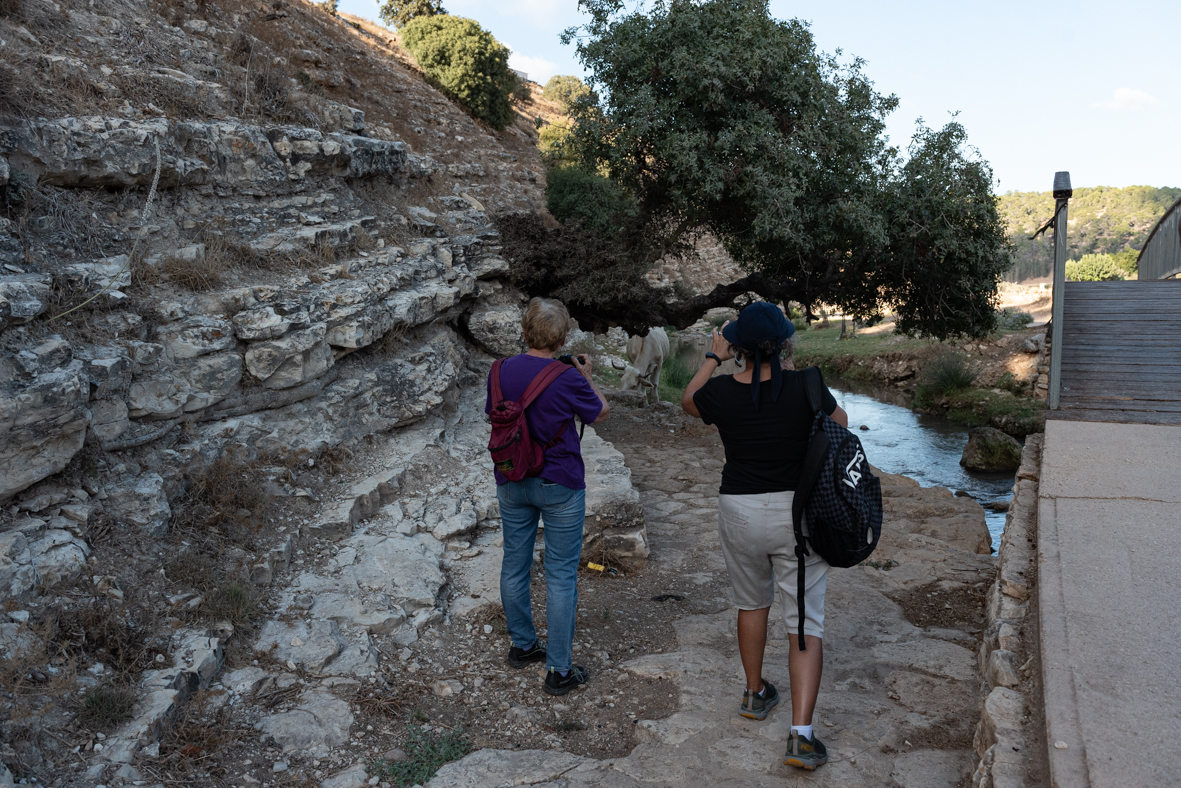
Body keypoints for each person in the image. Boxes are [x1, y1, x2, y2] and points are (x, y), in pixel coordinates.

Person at [680, 302, 848, 771]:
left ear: (739, 350)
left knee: (751, 602)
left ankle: (755, 695)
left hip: (739, 510)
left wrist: (713, 357)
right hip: (798, 515)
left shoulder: (720, 393)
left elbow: (687, 400)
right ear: (785, 345)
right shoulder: (807, 384)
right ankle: (800, 737)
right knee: (804, 622)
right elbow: (843, 427)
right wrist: (792, 376)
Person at [485, 297, 610, 695]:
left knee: (514, 563)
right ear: (562, 339)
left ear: (524, 331)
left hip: (512, 477)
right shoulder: (567, 376)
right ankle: (559, 670)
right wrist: (586, 376)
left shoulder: (499, 370)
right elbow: (600, 412)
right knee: (559, 574)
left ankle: (522, 645)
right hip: (559, 482)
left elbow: (495, 412)